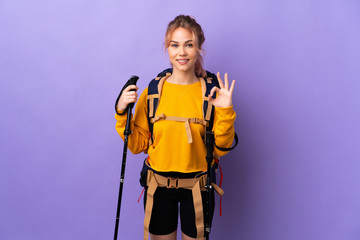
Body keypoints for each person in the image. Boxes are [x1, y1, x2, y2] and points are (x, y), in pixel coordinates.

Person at [115, 15, 236, 240]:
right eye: (175, 45)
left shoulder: (212, 94)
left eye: (189, 45)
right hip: (159, 187)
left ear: (199, 49)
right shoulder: (153, 92)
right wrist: (122, 112)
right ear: (167, 49)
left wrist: (226, 111)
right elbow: (137, 144)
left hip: (198, 188)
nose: (182, 52)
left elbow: (220, 148)